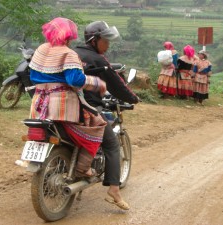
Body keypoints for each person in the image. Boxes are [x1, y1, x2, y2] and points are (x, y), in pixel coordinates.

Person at [28, 17, 108, 178]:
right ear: (69, 36)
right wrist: (97, 83)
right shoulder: (68, 53)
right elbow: (75, 80)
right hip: (62, 109)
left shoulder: (41, 50)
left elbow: (32, 76)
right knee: (96, 127)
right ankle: (82, 169)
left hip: (39, 105)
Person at [74, 21, 139, 210]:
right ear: (95, 40)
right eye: (105, 40)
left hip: (66, 107)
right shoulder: (99, 60)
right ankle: (114, 191)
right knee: (111, 145)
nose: (108, 44)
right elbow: (116, 85)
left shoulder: (73, 53)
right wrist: (133, 98)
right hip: (89, 109)